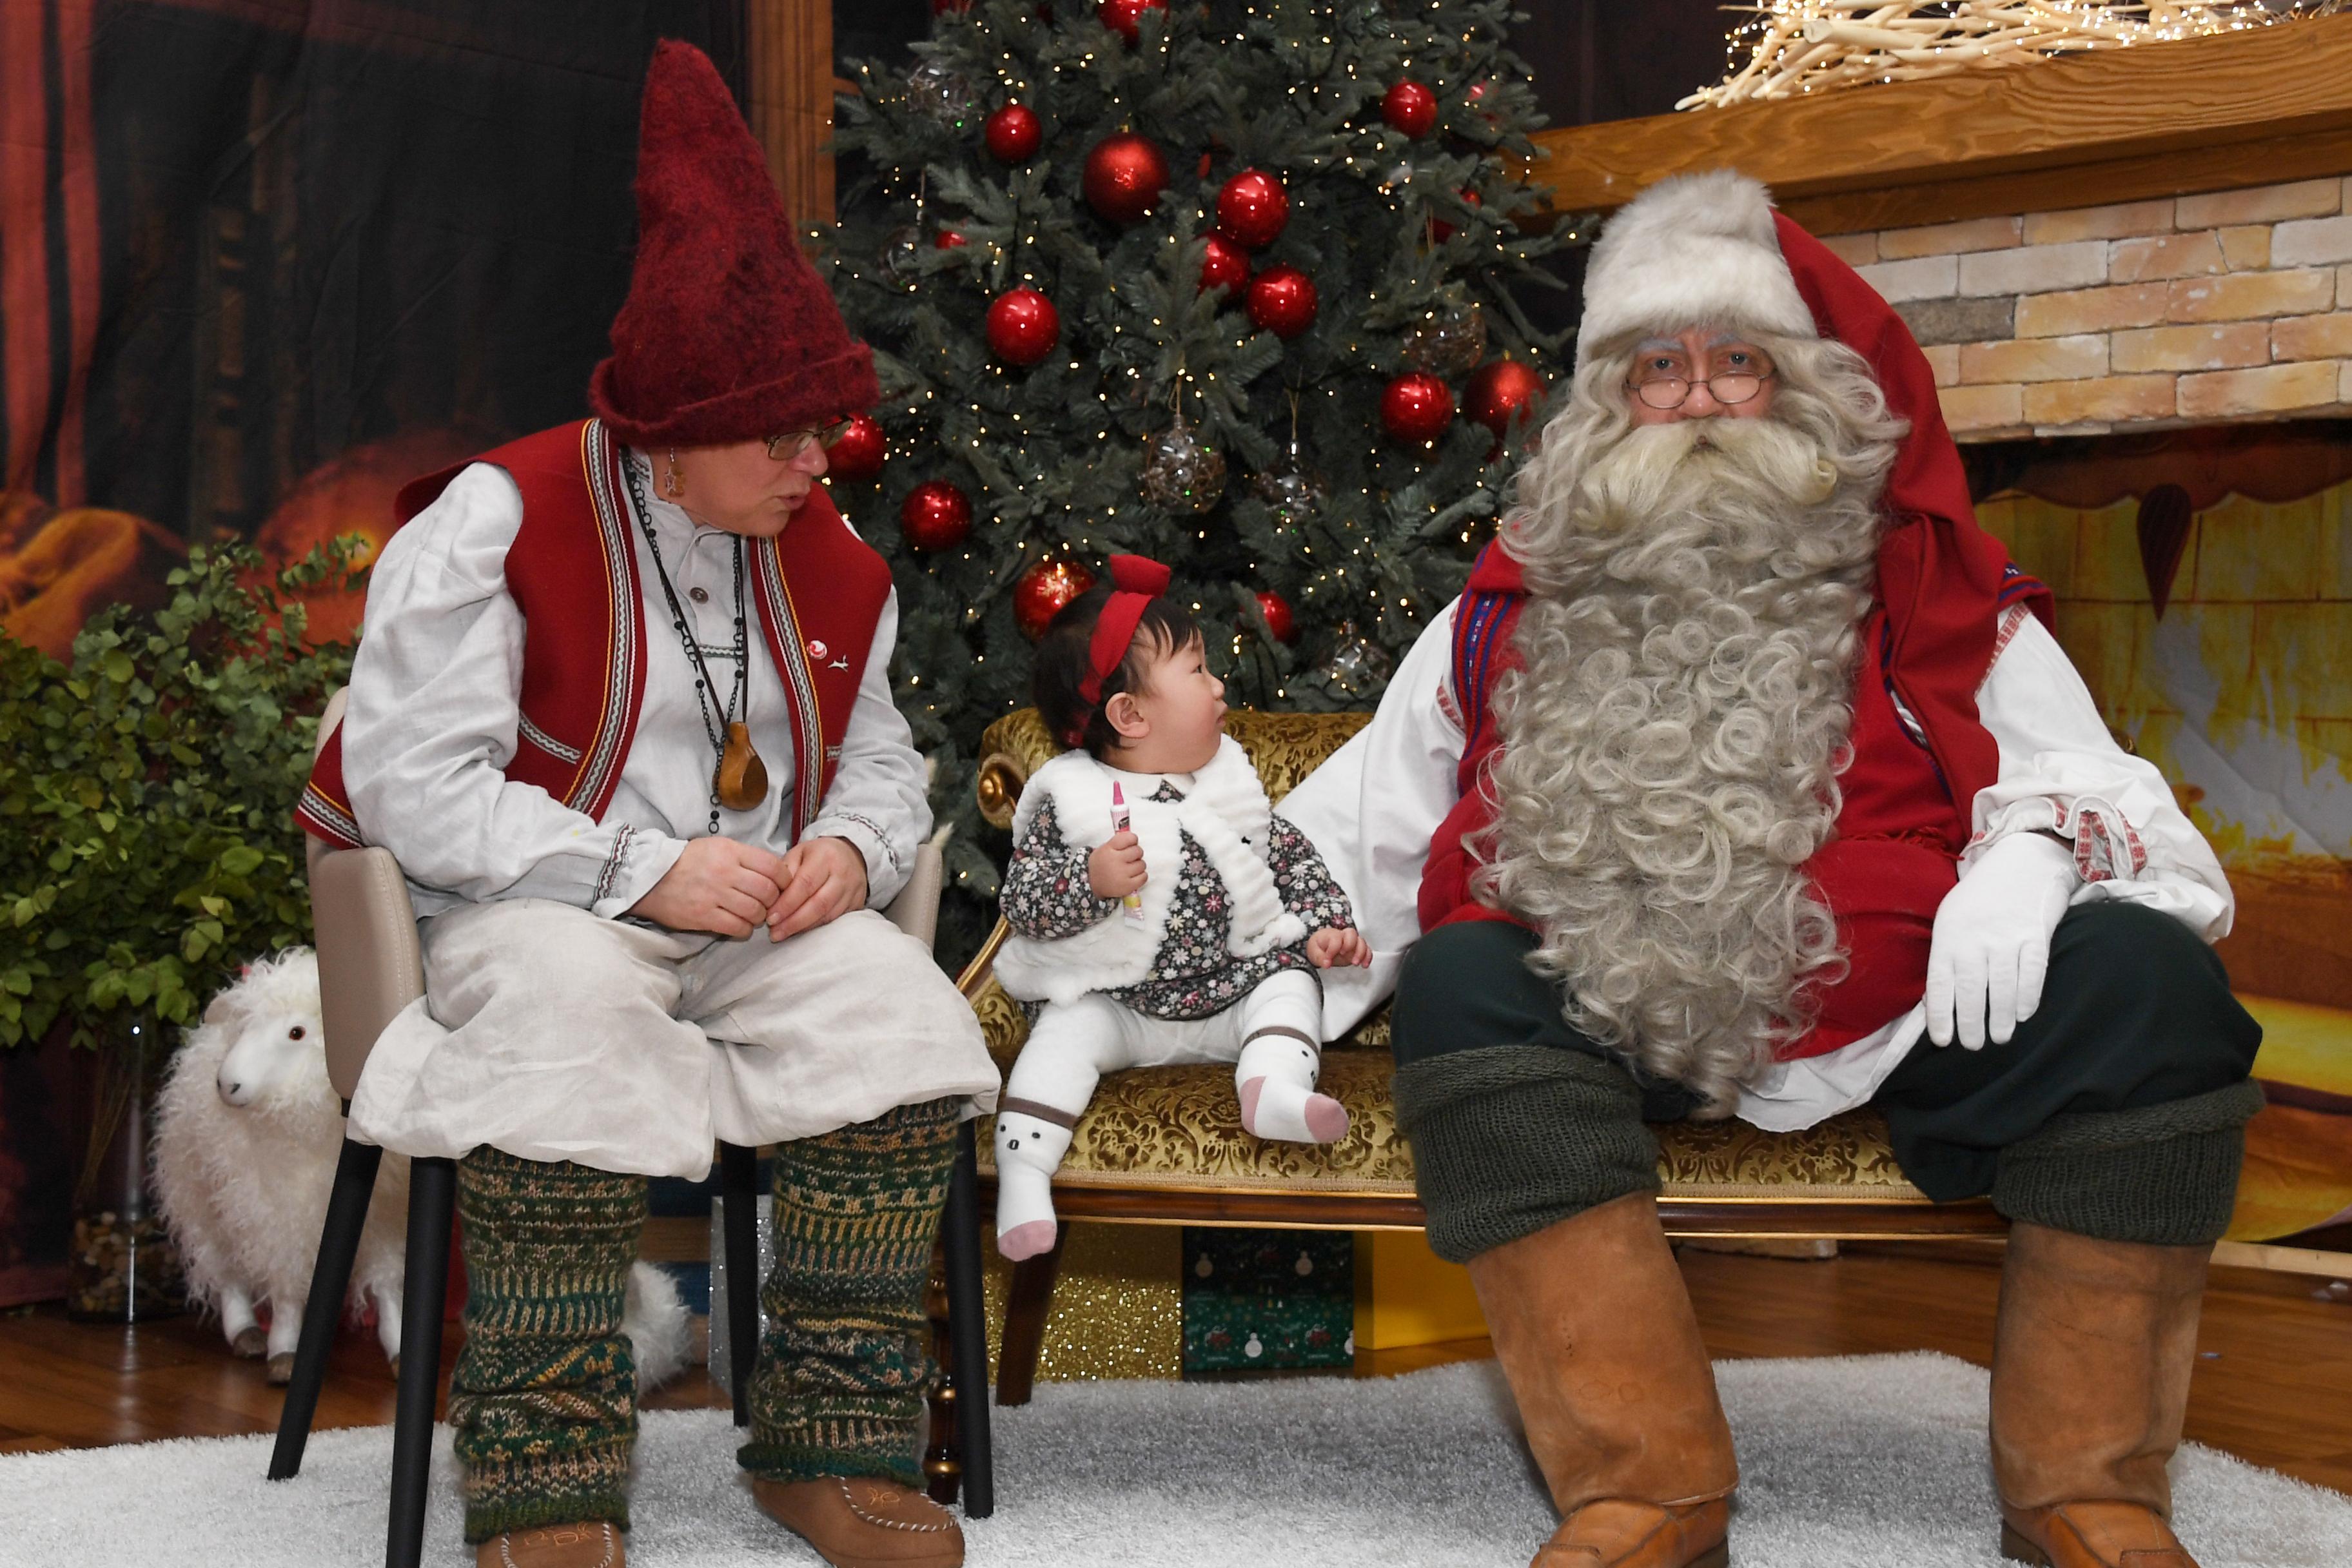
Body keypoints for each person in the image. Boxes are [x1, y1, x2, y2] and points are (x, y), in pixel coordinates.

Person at [1279, 171, 2262, 1568]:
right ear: (1602, 403)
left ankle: (2087, 1488)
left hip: (1913, 1013)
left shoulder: (1934, 591)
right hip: (1611, 1018)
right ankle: (1645, 1489)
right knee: (1467, 979)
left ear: (1807, 392)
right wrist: (1233, 974)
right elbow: (1350, 844)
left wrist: (2035, 855)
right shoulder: (1498, 614)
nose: (1693, 399)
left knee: (2151, 984)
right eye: (1655, 367)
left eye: (1736, 363)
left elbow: (2141, 824)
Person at [295, 42, 997, 1568]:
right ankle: (545, 1477)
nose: (820, 464)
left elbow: (886, 761)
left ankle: (831, 1445)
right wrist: (631, 870)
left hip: (749, 915)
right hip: (527, 907)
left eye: (824, 429)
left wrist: (850, 846)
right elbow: (413, 786)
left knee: (891, 1009)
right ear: (671, 430)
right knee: (562, 1014)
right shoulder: (495, 519)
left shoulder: (831, 560)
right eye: (782, 435)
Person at [990, 554, 1369, 1260]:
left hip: (1227, 990)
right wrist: (1090, 879)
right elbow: (1023, 902)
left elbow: (1285, 851)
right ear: (1129, 714)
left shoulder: (1224, 774)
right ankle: (1024, 1166)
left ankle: (1275, 1090)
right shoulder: (1071, 799)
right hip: (1118, 1005)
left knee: (1288, 980)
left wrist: (1325, 924)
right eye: (1197, 670)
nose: (1218, 683)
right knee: (1064, 1033)